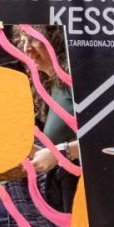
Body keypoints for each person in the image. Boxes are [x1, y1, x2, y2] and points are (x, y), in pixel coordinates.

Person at [24, 24, 80, 212]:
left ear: (55, 39)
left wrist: (59, 153)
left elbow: (104, 136)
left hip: (87, 191)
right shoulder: (53, 86)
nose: (27, 48)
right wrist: (39, 152)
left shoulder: (74, 79)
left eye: (33, 40)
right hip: (66, 190)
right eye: (23, 41)